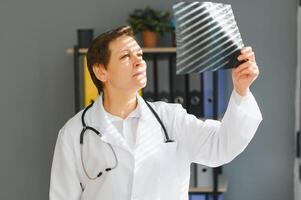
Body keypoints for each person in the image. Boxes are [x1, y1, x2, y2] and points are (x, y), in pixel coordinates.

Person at [49, 25, 262, 200]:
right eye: (125, 56)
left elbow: (222, 146)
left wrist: (241, 91)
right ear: (100, 71)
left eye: (139, 54)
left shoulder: (171, 119)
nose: (139, 61)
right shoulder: (74, 134)